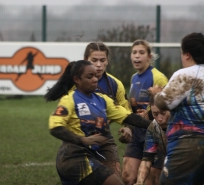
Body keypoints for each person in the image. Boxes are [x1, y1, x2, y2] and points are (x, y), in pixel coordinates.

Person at [44, 60, 151, 185]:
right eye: (89, 77)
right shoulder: (69, 100)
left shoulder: (103, 100)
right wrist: (82, 140)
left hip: (93, 154)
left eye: (96, 76)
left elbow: (128, 117)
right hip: (74, 157)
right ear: (77, 80)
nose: (95, 79)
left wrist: (154, 126)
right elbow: (55, 128)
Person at [148, 32, 204, 185]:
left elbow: (164, 103)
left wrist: (156, 94)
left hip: (189, 143)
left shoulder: (185, 75)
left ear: (187, 54)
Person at [122, 39, 168, 185]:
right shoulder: (134, 78)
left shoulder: (158, 77)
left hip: (154, 131)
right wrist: (128, 126)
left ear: (149, 57)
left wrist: (148, 114)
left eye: (141, 53)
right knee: (127, 177)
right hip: (137, 132)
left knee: (151, 180)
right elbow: (131, 107)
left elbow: (165, 106)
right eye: (134, 52)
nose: (137, 56)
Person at [83, 42, 132, 177]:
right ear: (85, 59)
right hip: (78, 137)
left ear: (107, 61)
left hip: (103, 136)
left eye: (102, 60)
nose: (98, 65)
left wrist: (127, 127)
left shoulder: (115, 84)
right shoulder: (75, 82)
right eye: (94, 60)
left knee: (114, 175)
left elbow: (126, 110)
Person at [134, 96, 170, 185]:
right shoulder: (154, 127)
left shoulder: (185, 124)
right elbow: (147, 158)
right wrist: (139, 182)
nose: (160, 119)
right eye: (155, 114)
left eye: (163, 113)